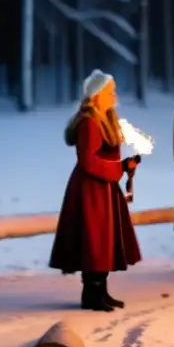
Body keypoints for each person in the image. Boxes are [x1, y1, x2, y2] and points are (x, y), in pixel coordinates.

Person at [50, 70, 142, 311]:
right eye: (110, 92)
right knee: (95, 242)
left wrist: (123, 166)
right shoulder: (90, 123)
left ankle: (100, 291)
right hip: (91, 191)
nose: (114, 96)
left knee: (103, 242)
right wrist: (118, 168)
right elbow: (88, 161)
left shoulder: (104, 119)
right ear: (97, 95)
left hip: (103, 188)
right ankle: (91, 295)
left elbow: (103, 159)